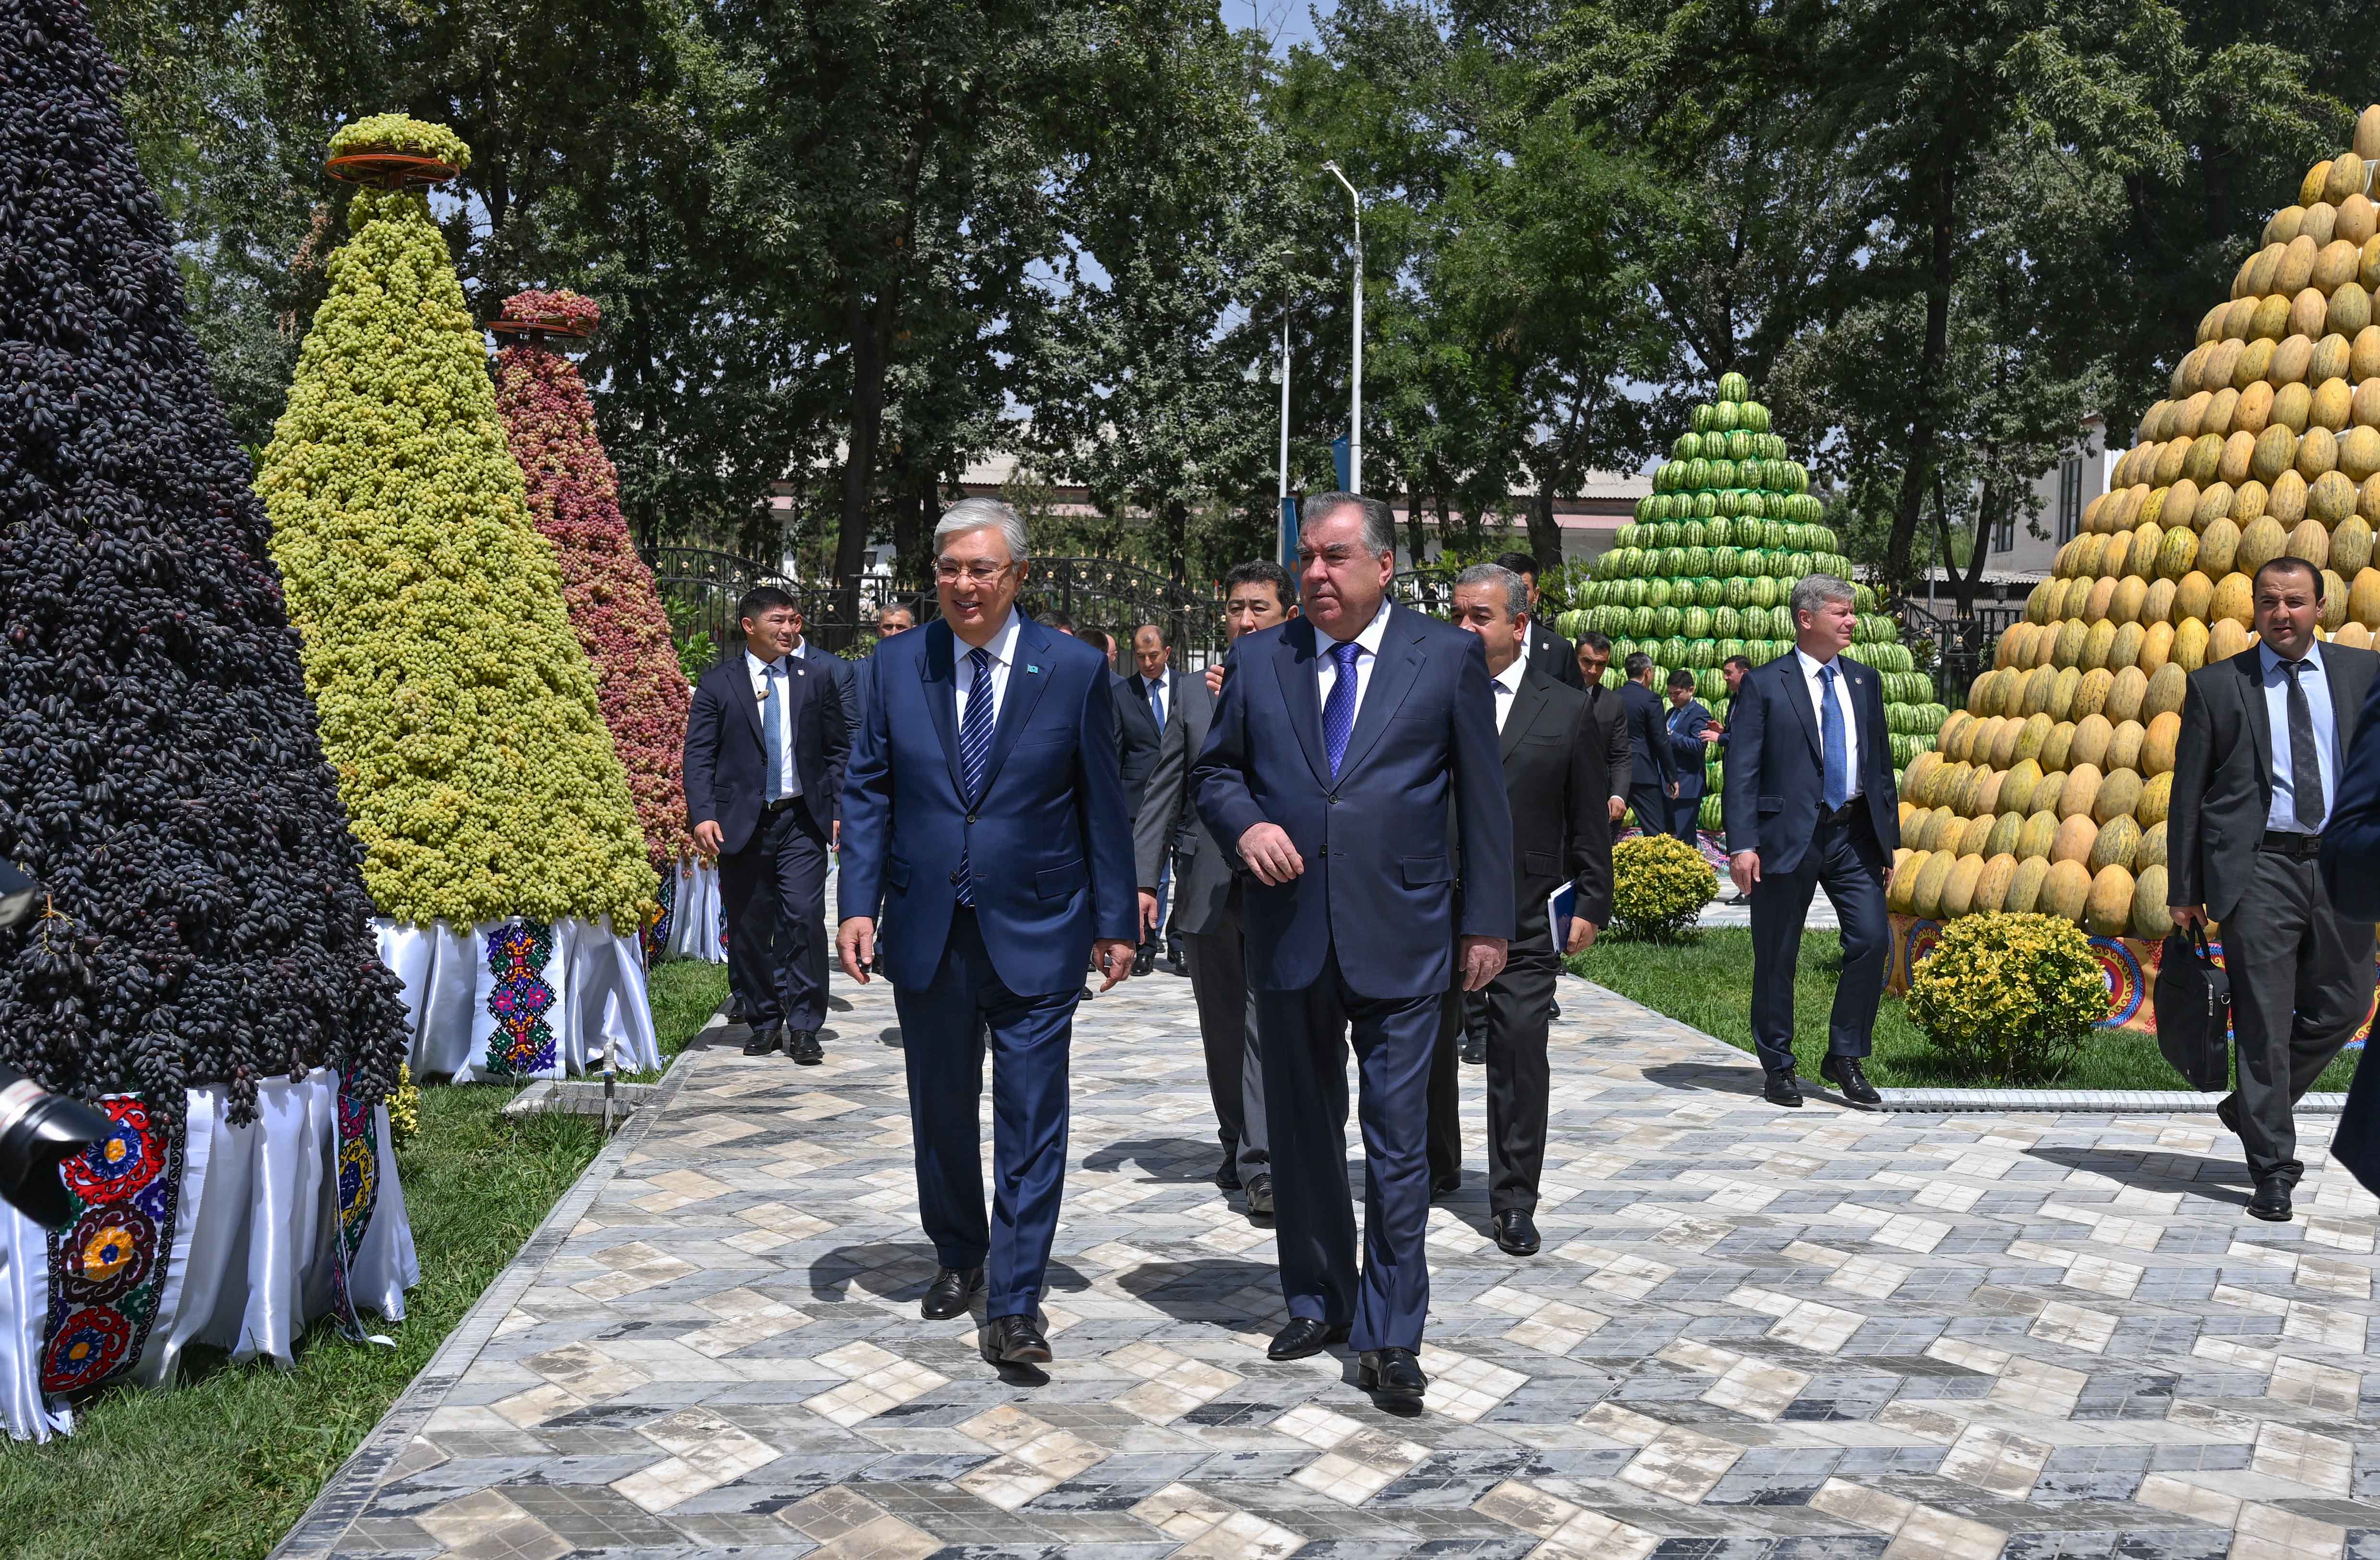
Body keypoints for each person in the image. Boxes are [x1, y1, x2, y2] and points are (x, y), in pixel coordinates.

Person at [1193, 492, 1512, 1407]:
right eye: (1306, 557)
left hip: (1404, 934)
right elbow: (1217, 772)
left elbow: (1481, 798)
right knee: (1300, 1133)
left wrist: (1487, 922)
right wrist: (1247, 826)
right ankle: (1318, 1298)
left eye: (1334, 557)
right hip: (1290, 930)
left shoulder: (1443, 655)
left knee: (1398, 1140)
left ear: (1382, 564)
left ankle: (1390, 1333)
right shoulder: (1263, 657)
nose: (1315, 574)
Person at [836, 498, 1137, 1367]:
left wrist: (1115, 919)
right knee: (939, 1107)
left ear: (1019, 576)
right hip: (928, 926)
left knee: (1032, 1117)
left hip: (1040, 925)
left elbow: (1102, 802)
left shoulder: (1072, 668)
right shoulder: (897, 664)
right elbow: (869, 790)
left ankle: (1015, 1301)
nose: (964, 585)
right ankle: (959, 1252)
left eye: (982, 569)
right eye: (950, 569)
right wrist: (857, 904)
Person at [2174, 557, 2378, 1223]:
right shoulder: (2217, 685)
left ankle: (2250, 1107)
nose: (2281, 613)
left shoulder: (2363, 675)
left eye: (2294, 601)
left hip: (2341, 867)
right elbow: (2187, 795)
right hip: (2257, 868)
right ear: (2254, 609)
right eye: (2268, 601)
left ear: (2321, 607)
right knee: (2262, 1020)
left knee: (2347, 1004)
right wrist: (2184, 888)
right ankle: (2271, 1169)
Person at [1427, 565, 1610, 1256]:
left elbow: (1586, 815)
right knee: (1425, 1047)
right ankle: (1436, 1163)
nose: (1464, 628)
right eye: (1457, 615)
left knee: (1520, 1050)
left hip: (1526, 909)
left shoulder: (1564, 707)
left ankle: (1513, 1199)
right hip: (1433, 900)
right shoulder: (1425, 696)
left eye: (1480, 616)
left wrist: (1591, 897)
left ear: (1519, 625)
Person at [1135, 563, 1296, 1217]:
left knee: (1266, 1025)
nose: (1245, 620)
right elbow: (1164, 788)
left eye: (1259, 607)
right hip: (1207, 887)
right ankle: (1236, 1140)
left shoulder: (1306, 682)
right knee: (1223, 1029)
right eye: (1235, 608)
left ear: (1288, 615)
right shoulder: (1193, 694)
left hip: (1281, 886)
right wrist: (1142, 880)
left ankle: (1264, 1161)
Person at [1721, 576, 1899, 1109]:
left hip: (1853, 835)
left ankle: (1845, 1054)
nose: (1851, 621)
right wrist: (1742, 844)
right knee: (1777, 954)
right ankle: (1778, 1063)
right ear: (1806, 618)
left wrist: (1887, 843)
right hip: (1784, 837)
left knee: (1872, 941)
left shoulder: (1864, 680)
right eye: (1841, 613)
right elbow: (1741, 770)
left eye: (1852, 613)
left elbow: (1880, 766)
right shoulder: (1765, 683)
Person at [684, 586, 849, 1064]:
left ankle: (804, 1025)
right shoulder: (718, 684)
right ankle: (763, 1019)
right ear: (749, 625)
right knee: (750, 925)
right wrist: (703, 814)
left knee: (803, 918)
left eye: (794, 620)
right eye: (778, 620)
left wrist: (838, 807)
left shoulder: (814, 678)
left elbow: (838, 748)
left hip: (801, 819)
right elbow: (699, 755)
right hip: (742, 823)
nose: (789, 629)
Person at [1127, 623, 1189, 974]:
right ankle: (1145, 947)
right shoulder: (1123, 693)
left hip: (1186, 799)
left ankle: (1180, 945)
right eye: (1141, 657)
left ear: (1167, 652)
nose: (1148, 663)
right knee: (1145, 876)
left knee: (1186, 873)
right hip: (1140, 801)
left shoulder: (1189, 688)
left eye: (1153, 656)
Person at [1494, 551, 1585, 689]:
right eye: (1507, 587)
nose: (1514, 596)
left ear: (1536, 595)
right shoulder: (1476, 641)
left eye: (1523, 589)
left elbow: (1576, 700)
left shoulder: (1559, 650)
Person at [1576, 632, 1631, 845]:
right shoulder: (1551, 692)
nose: (1593, 671)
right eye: (1587, 662)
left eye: (1601, 665)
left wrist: (1618, 795)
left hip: (1595, 802)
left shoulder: (1613, 703)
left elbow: (1620, 755)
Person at [1617, 652, 1675, 838]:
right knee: (1656, 832)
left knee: (1606, 829)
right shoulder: (1651, 699)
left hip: (1615, 773)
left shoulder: (1613, 696)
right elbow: (1660, 740)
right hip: (1643, 773)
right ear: (1647, 672)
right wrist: (1671, 776)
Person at [1664, 669, 1716, 842]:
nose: (1673, 698)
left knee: (1684, 837)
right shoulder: (1670, 713)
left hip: (1687, 785)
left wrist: (1672, 736)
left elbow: (1698, 745)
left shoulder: (1700, 714)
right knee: (1669, 837)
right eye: (1670, 693)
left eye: (1677, 693)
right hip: (1669, 783)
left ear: (1691, 690)